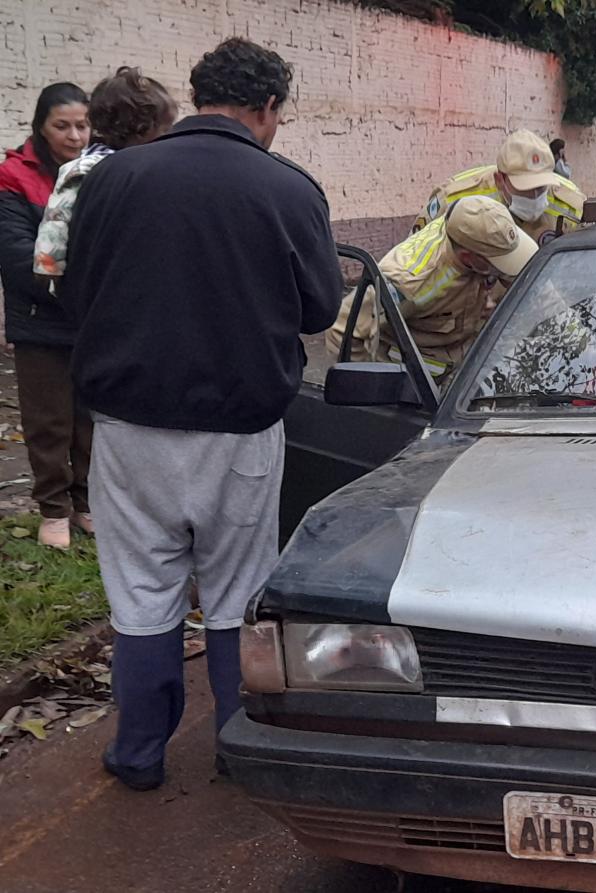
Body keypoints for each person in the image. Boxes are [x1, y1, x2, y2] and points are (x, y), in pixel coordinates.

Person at [61, 37, 343, 790]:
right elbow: (319, 307)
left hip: (127, 429)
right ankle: (236, 747)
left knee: (142, 595)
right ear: (269, 108)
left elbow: (73, 290)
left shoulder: (112, 179)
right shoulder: (289, 188)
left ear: (196, 93)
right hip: (241, 433)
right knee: (236, 593)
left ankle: (139, 752)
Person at [0, 83, 90, 549]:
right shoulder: (15, 178)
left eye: (81, 125)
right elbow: (18, 258)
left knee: (90, 419)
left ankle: (86, 502)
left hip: (88, 320)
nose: (74, 136)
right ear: (40, 127)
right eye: (62, 126)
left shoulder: (97, 171)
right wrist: (81, 289)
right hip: (40, 316)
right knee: (48, 419)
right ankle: (54, 508)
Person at [328, 194, 535, 375]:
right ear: (468, 257)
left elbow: (529, 287)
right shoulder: (410, 282)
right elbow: (344, 328)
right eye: (497, 263)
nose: (503, 270)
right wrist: (365, 389)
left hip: (465, 374)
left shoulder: (475, 228)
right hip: (416, 388)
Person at [35, 68, 179, 286]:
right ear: (141, 129)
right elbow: (57, 219)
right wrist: (49, 266)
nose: (169, 135)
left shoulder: (150, 165)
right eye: (165, 128)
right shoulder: (86, 167)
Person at [414, 129, 584, 247]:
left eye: (541, 187)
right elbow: (414, 254)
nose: (535, 196)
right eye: (525, 188)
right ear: (499, 180)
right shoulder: (453, 201)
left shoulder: (572, 206)